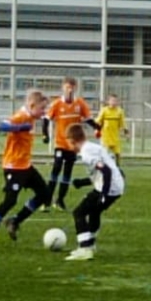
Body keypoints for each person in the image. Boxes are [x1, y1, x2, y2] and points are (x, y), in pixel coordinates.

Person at [0, 88, 50, 250]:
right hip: (13, 167)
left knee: (45, 194)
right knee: (9, 201)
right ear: (32, 105)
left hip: (25, 165)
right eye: (42, 108)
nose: (43, 112)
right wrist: (19, 127)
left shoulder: (30, 117)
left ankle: (15, 221)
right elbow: (1, 126)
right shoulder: (21, 116)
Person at [61, 122, 125, 261]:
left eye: (69, 143)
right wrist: (82, 182)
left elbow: (106, 171)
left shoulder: (86, 153)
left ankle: (85, 249)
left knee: (79, 212)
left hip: (109, 188)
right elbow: (102, 172)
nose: (69, 146)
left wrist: (103, 195)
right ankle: (90, 244)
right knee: (94, 212)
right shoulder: (92, 147)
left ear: (73, 140)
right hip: (116, 186)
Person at [44, 78, 97, 210]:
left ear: (75, 88)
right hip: (60, 143)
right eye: (67, 87)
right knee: (56, 167)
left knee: (67, 171)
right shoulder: (57, 103)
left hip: (73, 145)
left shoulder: (80, 103)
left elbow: (88, 119)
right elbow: (46, 119)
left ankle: (60, 200)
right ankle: (47, 199)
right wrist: (45, 134)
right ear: (63, 88)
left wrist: (98, 127)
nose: (70, 90)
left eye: (72, 87)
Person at [97, 92, 127, 160]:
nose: (114, 102)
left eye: (116, 101)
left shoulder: (120, 111)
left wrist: (125, 129)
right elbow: (98, 120)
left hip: (115, 136)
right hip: (105, 136)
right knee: (104, 153)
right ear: (108, 101)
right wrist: (96, 128)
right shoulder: (104, 110)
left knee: (118, 154)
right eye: (112, 100)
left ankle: (117, 165)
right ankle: (103, 165)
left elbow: (122, 122)